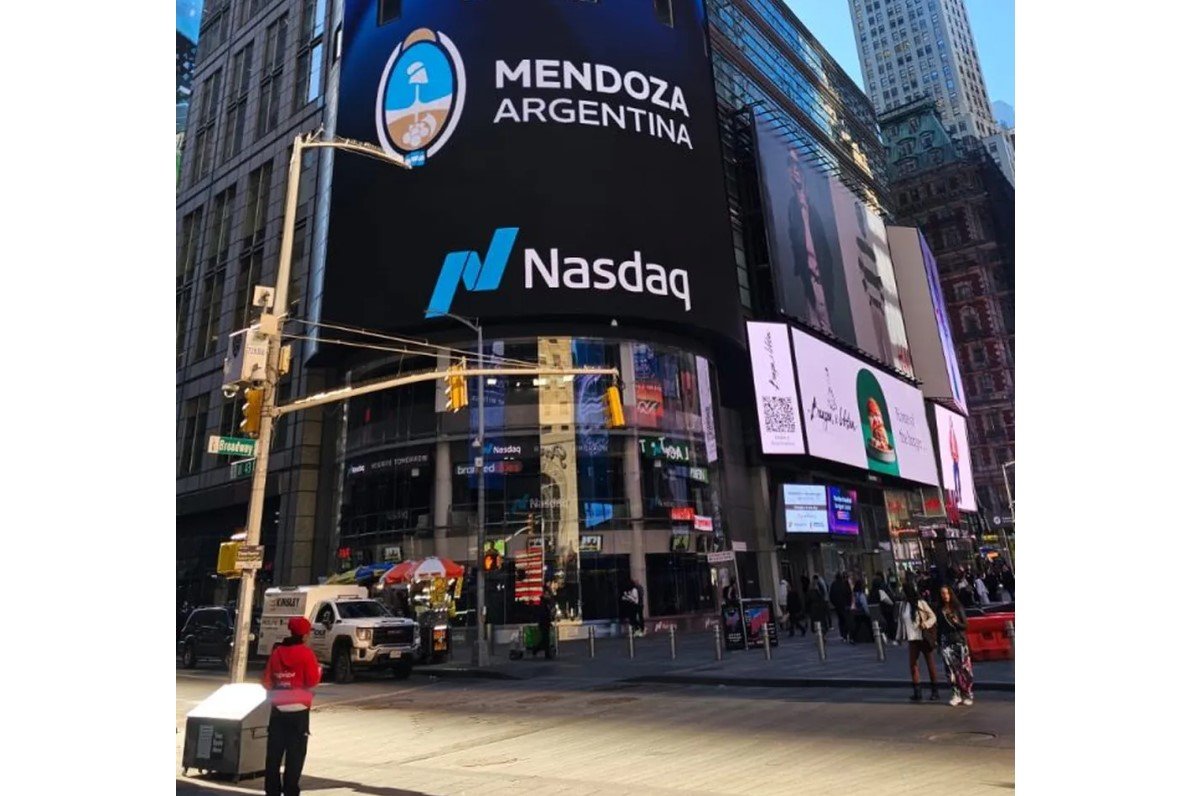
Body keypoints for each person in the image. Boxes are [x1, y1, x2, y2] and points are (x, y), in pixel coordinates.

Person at [261, 616, 321, 796]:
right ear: (304, 635)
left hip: (278, 709)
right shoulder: (307, 654)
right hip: (299, 710)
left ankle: (272, 791)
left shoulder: (277, 652)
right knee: (295, 755)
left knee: (274, 754)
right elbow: (312, 681)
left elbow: (267, 681)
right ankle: (290, 791)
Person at [898, 582, 940, 702]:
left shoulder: (921, 603)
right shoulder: (903, 605)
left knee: (930, 664)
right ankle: (917, 692)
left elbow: (933, 617)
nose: (902, 593)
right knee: (913, 664)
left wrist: (925, 624)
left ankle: (935, 691)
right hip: (912, 639)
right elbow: (901, 622)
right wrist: (900, 637)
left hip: (923, 637)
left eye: (904, 591)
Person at [935, 585, 975, 707]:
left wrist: (956, 622)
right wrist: (938, 642)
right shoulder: (940, 610)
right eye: (942, 593)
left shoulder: (957, 607)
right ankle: (955, 694)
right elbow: (939, 628)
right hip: (946, 642)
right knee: (950, 670)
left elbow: (965, 625)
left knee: (964, 669)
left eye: (947, 593)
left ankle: (967, 693)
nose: (945, 596)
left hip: (959, 641)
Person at [532, 587, 556, 659]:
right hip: (543, 623)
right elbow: (544, 614)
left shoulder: (547, 602)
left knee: (546, 639)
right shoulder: (543, 603)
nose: (548, 596)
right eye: (547, 594)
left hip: (545, 622)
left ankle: (541, 651)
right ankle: (538, 650)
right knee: (545, 639)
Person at [828, 573, 852, 642]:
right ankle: (847, 633)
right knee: (846, 619)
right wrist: (849, 603)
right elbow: (849, 594)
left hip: (837, 605)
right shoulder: (844, 584)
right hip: (844, 604)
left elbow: (831, 596)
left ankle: (843, 635)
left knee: (841, 620)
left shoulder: (833, 585)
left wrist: (834, 604)